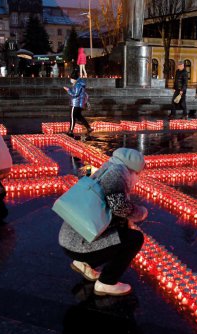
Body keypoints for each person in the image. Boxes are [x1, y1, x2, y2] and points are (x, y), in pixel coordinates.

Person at [59, 147, 147, 296]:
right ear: (133, 170)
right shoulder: (118, 174)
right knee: (134, 239)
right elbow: (119, 207)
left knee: (122, 234)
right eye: (138, 174)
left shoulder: (106, 169)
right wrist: (141, 213)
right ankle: (106, 283)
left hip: (69, 239)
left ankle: (84, 264)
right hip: (80, 245)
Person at [64, 70, 93, 136]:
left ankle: (70, 131)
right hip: (79, 103)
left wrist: (68, 90)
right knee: (79, 116)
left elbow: (75, 94)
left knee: (72, 117)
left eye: (71, 78)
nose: (70, 80)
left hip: (75, 103)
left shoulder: (78, 84)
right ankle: (88, 128)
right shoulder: (80, 83)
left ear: (74, 78)